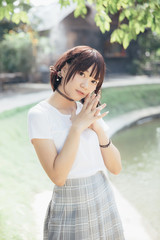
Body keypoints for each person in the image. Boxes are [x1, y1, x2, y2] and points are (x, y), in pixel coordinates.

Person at [27, 45, 125, 240]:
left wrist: (98, 130)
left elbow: (115, 168)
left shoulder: (86, 110)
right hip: (71, 203)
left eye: (93, 80)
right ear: (63, 69)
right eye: (82, 73)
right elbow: (58, 177)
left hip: (103, 195)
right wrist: (77, 127)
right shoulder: (40, 115)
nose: (86, 85)